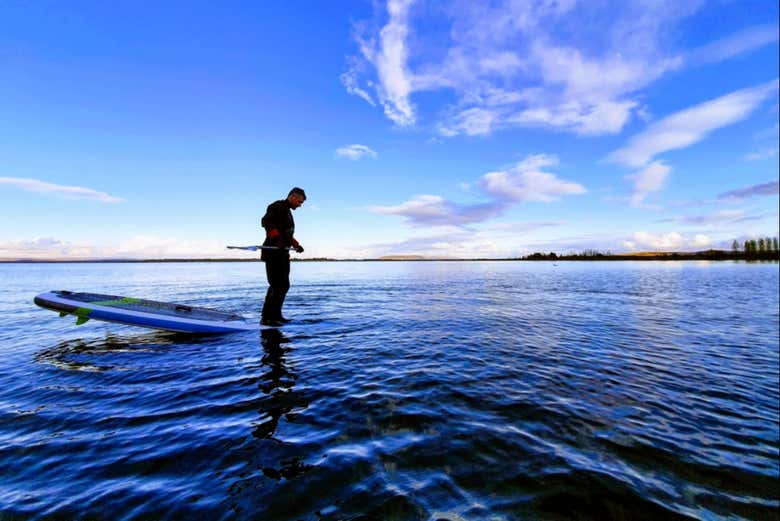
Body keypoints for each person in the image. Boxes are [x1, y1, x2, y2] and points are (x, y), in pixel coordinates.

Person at [260, 187, 306, 326]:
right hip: (273, 252)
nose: (300, 205)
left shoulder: (288, 212)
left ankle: (276, 315)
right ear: (292, 196)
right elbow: (266, 222)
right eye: (299, 201)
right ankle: (267, 318)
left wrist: (296, 245)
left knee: (284, 285)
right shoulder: (277, 206)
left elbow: (287, 234)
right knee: (276, 285)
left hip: (283, 253)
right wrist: (276, 238)